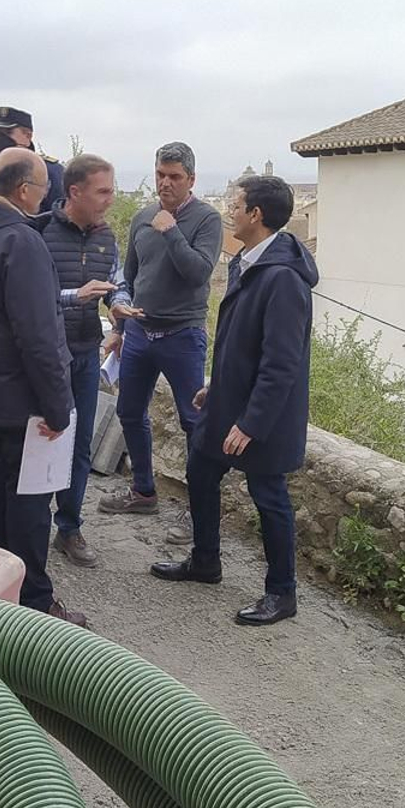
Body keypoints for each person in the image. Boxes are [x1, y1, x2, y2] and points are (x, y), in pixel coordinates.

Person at [151, 175, 316, 626]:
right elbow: (239, 342)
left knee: (269, 496)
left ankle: (282, 593)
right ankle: (205, 561)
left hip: (263, 416)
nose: (230, 209)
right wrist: (216, 385)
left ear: (256, 215)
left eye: (236, 203)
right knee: (200, 472)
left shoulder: (283, 278)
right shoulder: (250, 260)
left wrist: (251, 423)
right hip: (228, 403)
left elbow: (280, 363)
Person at [0, 147, 84, 626]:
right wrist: (58, 407)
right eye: (44, 184)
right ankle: (31, 604)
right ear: (24, 190)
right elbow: (39, 335)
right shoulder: (20, 242)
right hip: (25, 400)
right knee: (30, 506)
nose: (48, 191)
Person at [99, 141, 224, 525]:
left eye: (174, 177)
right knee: (130, 412)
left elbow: (198, 272)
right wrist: (119, 326)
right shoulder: (142, 217)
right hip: (139, 331)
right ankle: (143, 491)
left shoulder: (207, 220)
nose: (165, 184)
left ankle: (199, 509)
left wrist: (171, 231)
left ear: (191, 179)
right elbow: (130, 276)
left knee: (193, 422)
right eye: (160, 175)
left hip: (182, 334)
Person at [32, 153, 118, 568]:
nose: (110, 199)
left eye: (112, 190)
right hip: (48, 357)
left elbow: (117, 284)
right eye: (103, 191)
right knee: (43, 437)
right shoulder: (40, 234)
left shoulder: (106, 238)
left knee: (79, 444)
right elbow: (29, 299)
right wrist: (75, 296)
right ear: (74, 192)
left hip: (86, 352)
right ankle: (30, 523)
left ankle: (69, 527)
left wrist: (120, 305)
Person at [0, 105, 65, 214]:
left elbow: (58, 217)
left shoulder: (50, 172)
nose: (1, 138)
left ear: (28, 136)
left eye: (8, 133)